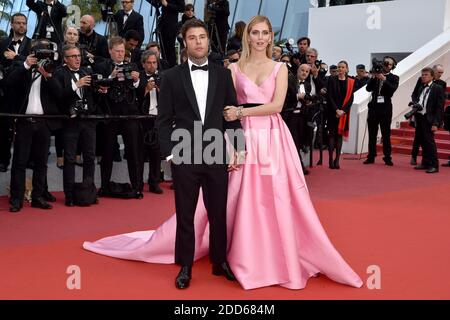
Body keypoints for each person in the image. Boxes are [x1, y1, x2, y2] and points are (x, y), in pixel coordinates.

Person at [83, 16, 363, 291]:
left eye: (202, 37)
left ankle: (221, 261)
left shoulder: (222, 73)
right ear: (184, 42)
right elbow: (163, 119)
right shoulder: (176, 76)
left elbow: (232, 116)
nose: (198, 42)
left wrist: (238, 148)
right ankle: (185, 265)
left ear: (208, 40)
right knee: (187, 214)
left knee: (222, 210)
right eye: (192, 38)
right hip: (186, 152)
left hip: (229, 149)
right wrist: (170, 155)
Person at [364, 56, 399, 166]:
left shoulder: (394, 78)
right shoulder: (376, 75)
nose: (386, 65)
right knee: (372, 133)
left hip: (385, 109)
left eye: (389, 64)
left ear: (392, 66)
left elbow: (392, 90)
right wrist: (375, 77)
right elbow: (368, 89)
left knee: (385, 134)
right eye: (385, 63)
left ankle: (387, 157)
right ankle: (371, 156)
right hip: (374, 107)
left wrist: (384, 79)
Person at [326, 60, 355, 169]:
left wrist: (343, 111)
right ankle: (330, 159)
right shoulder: (331, 80)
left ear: (347, 69)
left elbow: (351, 99)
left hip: (344, 113)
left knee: (339, 136)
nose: (340, 69)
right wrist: (336, 110)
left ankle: (337, 160)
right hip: (333, 112)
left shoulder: (351, 82)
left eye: (343, 67)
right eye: (339, 67)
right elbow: (329, 96)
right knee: (332, 135)